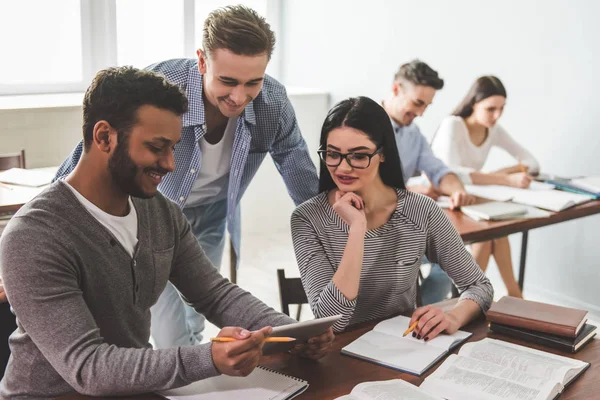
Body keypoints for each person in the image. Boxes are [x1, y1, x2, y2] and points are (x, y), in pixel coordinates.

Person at [0, 66, 333, 398]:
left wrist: (291, 332)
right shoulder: (34, 236)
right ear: (104, 137)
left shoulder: (160, 212)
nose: (170, 163)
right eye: (157, 147)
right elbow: (90, 367)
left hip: (130, 391)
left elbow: (214, 294)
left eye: (173, 147)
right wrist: (209, 358)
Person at [54, 5, 319, 349]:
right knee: (170, 332)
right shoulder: (159, 87)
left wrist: (335, 234)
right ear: (203, 61)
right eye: (227, 81)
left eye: (253, 82)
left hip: (212, 213)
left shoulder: (273, 104)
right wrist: (40, 228)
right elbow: (87, 152)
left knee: (197, 316)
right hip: (152, 216)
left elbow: (300, 173)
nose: (240, 97)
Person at [290, 96, 493, 337]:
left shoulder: (421, 210)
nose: (343, 168)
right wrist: (357, 229)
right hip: (338, 357)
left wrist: (453, 316)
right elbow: (332, 321)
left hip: (406, 349)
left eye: (358, 155)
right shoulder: (307, 219)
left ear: (383, 153)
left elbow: (479, 286)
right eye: (333, 154)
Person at [431, 76, 540, 298]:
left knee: (494, 229)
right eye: (491, 109)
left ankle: (476, 297)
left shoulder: (493, 130)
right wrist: (506, 179)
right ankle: (501, 295)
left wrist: (497, 174)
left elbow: (532, 163)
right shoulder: (453, 125)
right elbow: (453, 173)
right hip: (441, 201)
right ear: (474, 103)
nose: (497, 115)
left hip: (469, 200)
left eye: (501, 109)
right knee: (491, 230)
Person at [382, 60, 477, 304]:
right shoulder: (363, 126)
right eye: (417, 103)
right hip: (371, 234)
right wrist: (406, 191)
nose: (422, 112)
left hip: (402, 228)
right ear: (396, 90)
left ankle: (418, 317)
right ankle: (409, 316)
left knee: (449, 262)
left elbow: (437, 170)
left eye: (426, 105)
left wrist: (457, 190)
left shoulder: (413, 134)